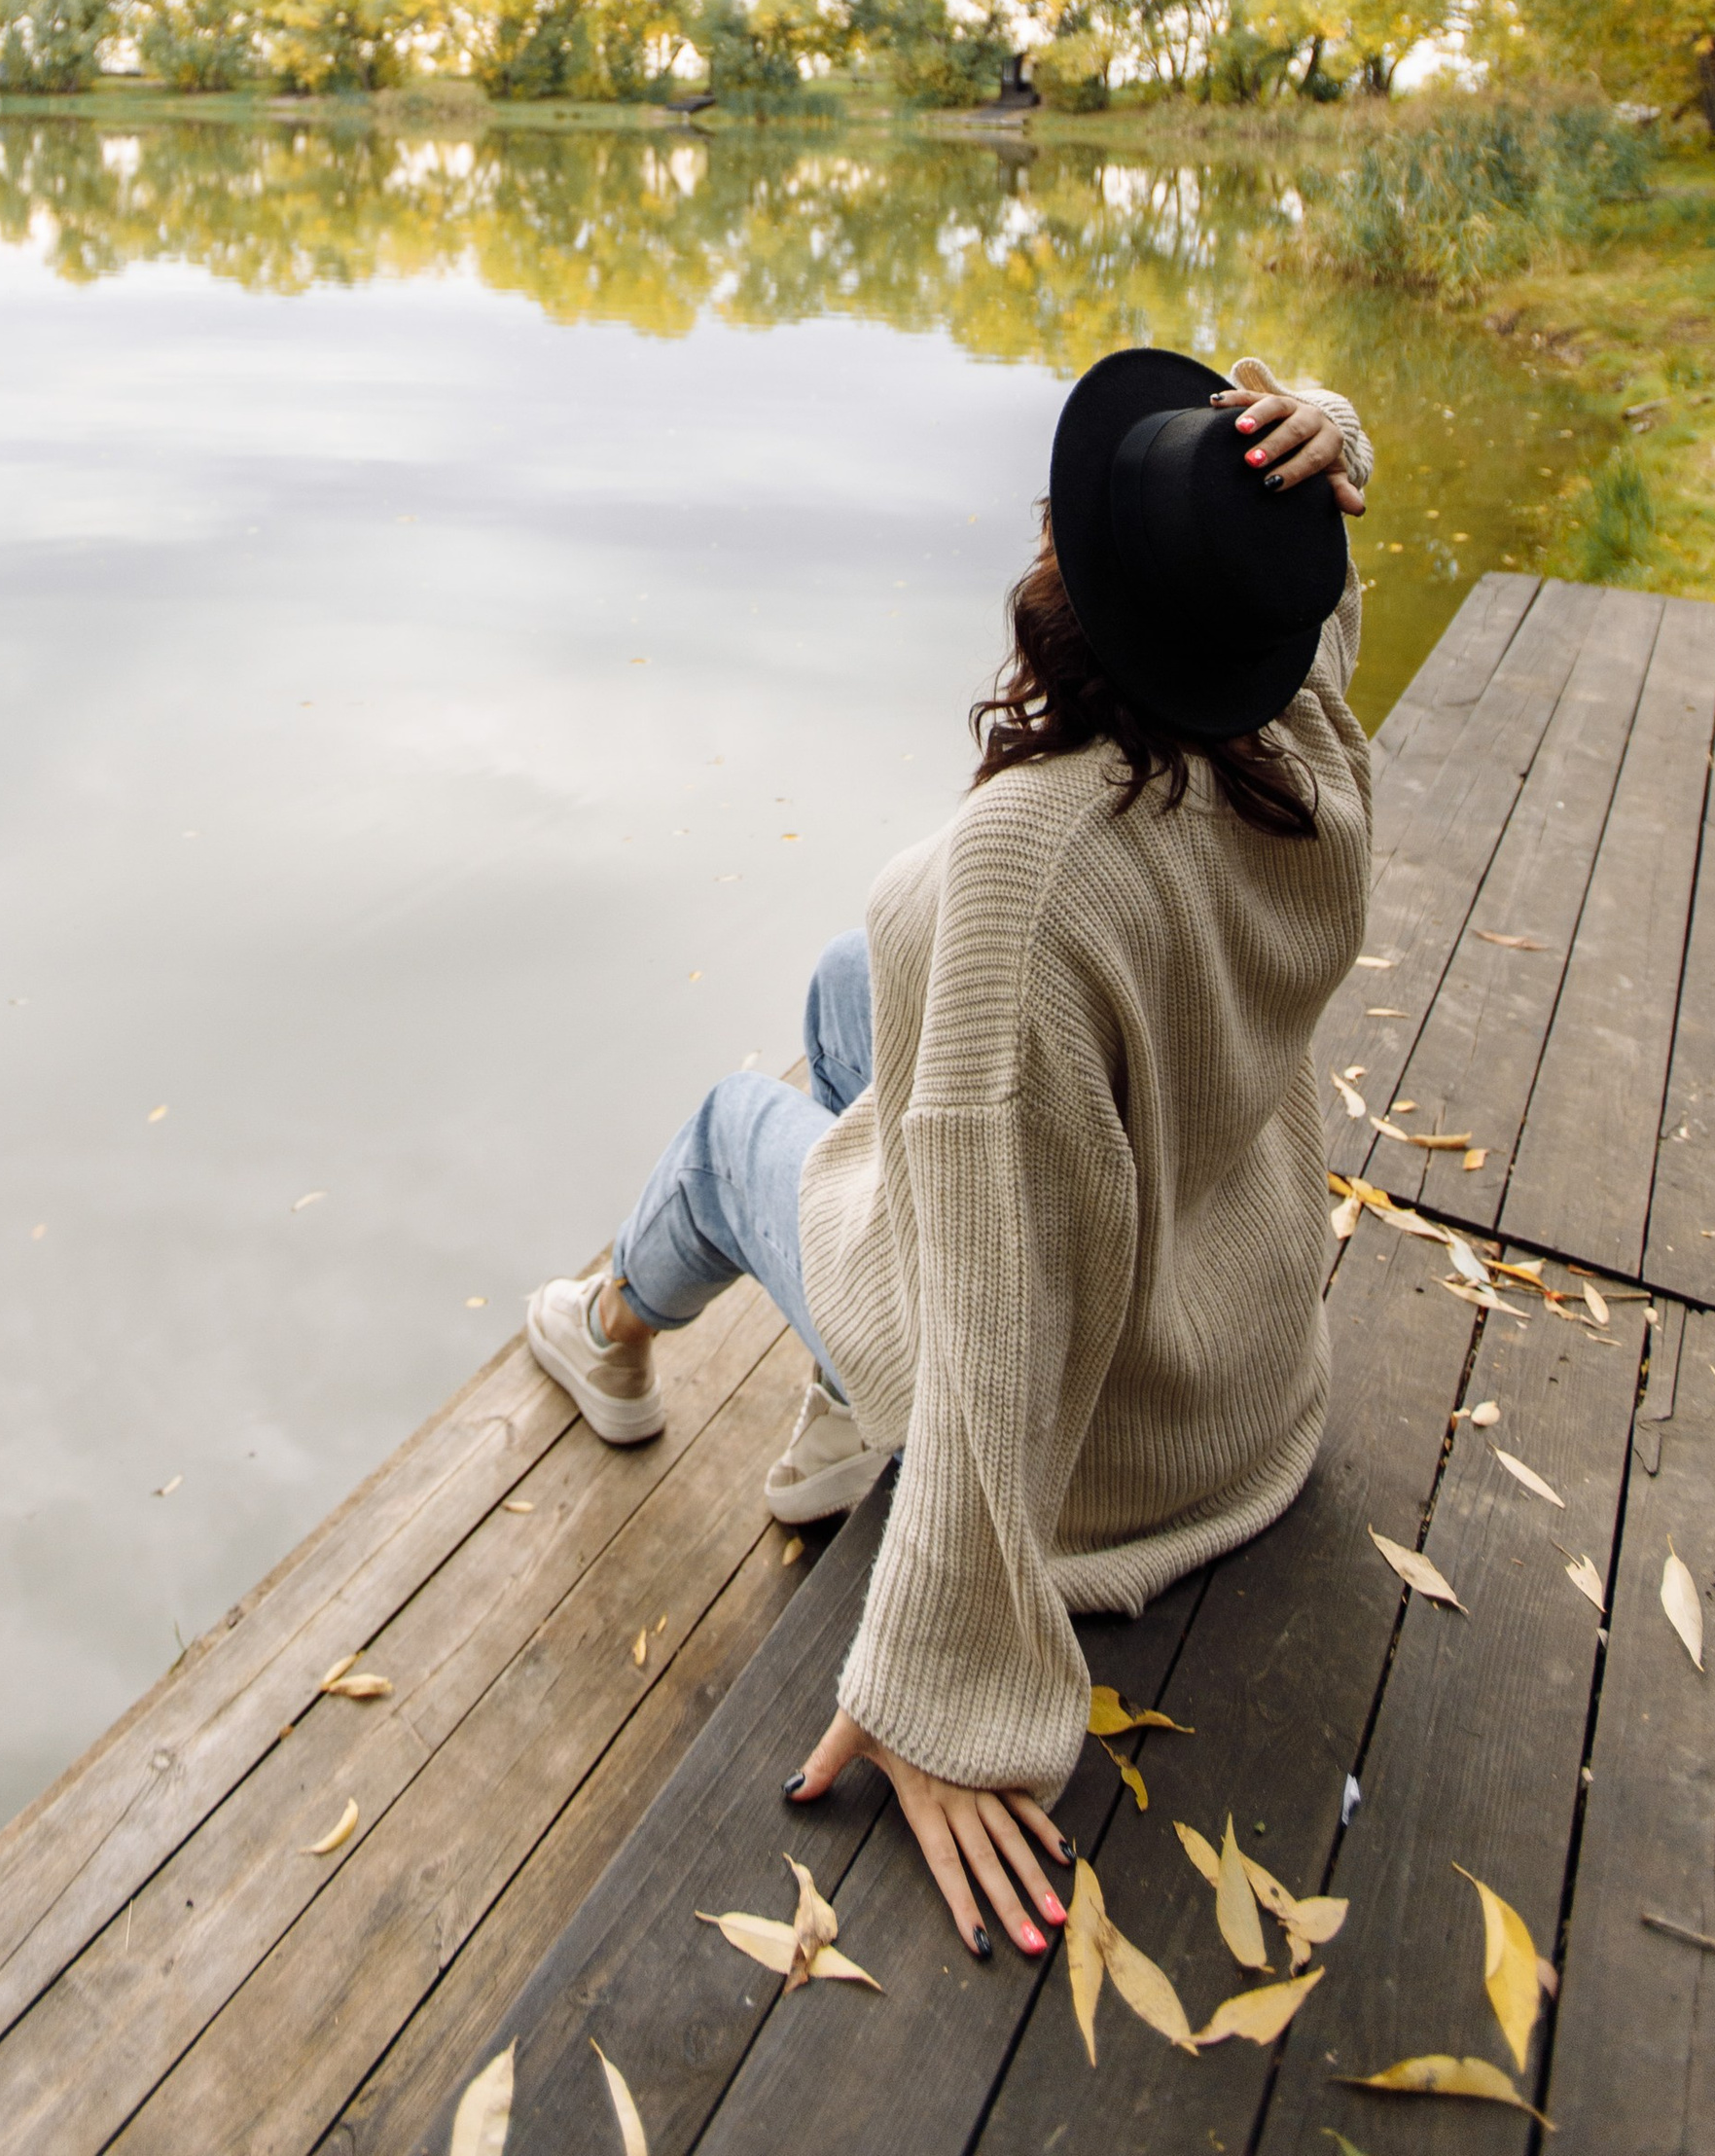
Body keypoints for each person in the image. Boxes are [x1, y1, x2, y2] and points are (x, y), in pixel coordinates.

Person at [525, 349, 1374, 1968]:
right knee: (851, 985)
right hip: (1232, 1335)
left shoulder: (1027, 876)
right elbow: (1322, 587)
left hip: (1109, 1428)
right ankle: (836, 1409)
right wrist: (1321, 442)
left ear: (1070, 587)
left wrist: (938, 1689)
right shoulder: (1307, 733)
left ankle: (612, 1337)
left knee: (729, 1127)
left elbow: (993, 1333)